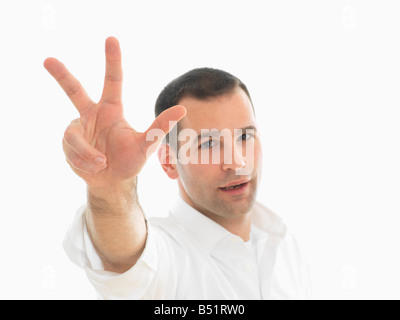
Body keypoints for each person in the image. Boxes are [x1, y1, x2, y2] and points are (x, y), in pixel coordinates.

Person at [44, 37, 311, 300]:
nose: (238, 162)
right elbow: (123, 259)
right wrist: (111, 188)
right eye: (208, 144)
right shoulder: (165, 258)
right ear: (169, 161)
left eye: (245, 137)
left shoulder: (283, 241)